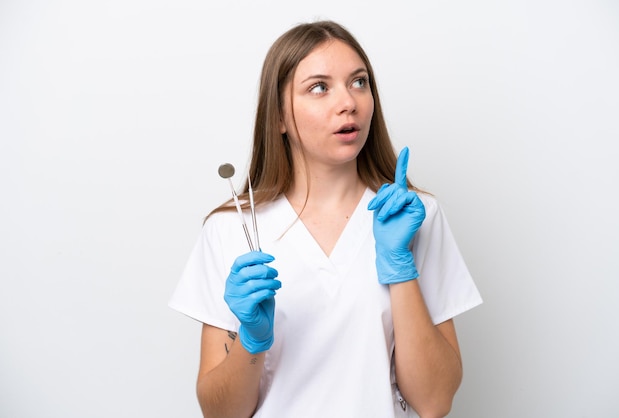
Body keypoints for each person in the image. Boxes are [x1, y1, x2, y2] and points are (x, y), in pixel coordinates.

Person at [169, 20, 482, 418]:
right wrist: (251, 341)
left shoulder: (411, 215)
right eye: (319, 87)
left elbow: (435, 402)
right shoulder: (229, 229)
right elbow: (220, 413)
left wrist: (400, 267)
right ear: (279, 117)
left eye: (359, 82)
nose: (348, 102)